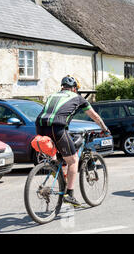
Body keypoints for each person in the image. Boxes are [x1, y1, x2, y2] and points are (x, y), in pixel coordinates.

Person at [36, 76, 110, 207]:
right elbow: (94, 116)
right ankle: (69, 194)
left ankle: (55, 169)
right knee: (73, 160)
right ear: (75, 88)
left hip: (40, 126)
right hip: (57, 127)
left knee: (56, 155)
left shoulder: (52, 95)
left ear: (62, 87)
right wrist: (104, 128)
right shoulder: (78, 98)